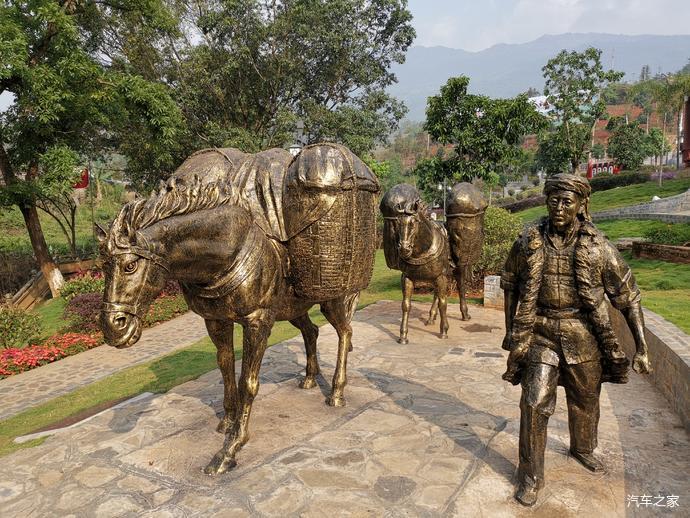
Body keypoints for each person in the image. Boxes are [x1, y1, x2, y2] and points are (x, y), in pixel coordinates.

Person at [500, 173, 651, 506]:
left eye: (567, 201)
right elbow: (509, 283)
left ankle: (582, 447)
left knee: (585, 400)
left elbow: (628, 296)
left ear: (583, 205)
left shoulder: (599, 248)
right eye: (553, 200)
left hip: (582, 334)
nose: (558, 207)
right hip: (540, 333)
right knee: (534, 402)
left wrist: (641, 347)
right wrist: (513, 331)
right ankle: (530, 475)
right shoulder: (528, 241)